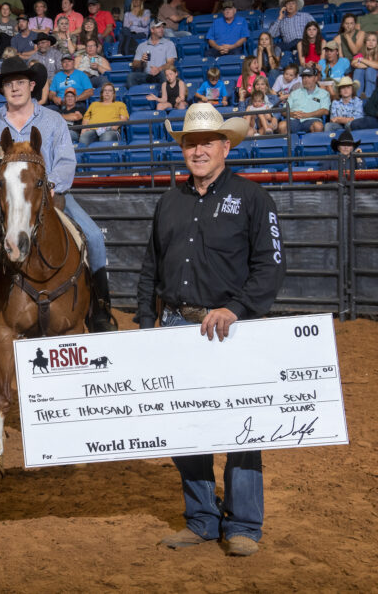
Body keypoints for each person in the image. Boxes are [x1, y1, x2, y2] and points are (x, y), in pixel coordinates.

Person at [138, 102, 285, 558]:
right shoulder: (169, 201)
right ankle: (202, 518)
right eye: (190, 143)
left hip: (232, 330)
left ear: (226, 146)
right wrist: (147, 323)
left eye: (207, 142)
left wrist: (236, 308)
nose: (198, 150)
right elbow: (151, 268)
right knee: (188, 426)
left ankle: (243, 523)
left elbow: (271, 266)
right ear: (182, 149)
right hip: (178, 325)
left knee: (241, 426)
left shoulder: (254, 198)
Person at [0, 56, 118, 339]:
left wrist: (50, 184)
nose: (15, 88)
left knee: (93, 237)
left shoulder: (53, 121)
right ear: (2, 89)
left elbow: (67, 161)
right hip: (2, 200)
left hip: (51, 198)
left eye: (21, 82)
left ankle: (100, 308)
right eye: (9, 84)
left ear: (32, 85)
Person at [278, 66, 329, 134]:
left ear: (316, 78)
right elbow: (284, 111)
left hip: (311, 119)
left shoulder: (323, 93)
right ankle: (286, 145)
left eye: (309, 77)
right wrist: (292, 114)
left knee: (318, 126)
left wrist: (307, 115)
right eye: (304, 77)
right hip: (294, 119)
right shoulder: (294, 93)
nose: (306, 79)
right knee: (282, 125)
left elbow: (325, 111)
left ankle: (314, 145)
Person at [127, 20, 178, 87]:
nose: (162, 29)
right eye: (158, 27)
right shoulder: (142, 46)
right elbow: (134, 64)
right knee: (131, 76)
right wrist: (141, 61)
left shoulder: (169, 44)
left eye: (162, 27)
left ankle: (165, 96)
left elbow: (170, 63)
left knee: (165, 74)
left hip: (161, 73)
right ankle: (134, 96)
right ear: (152, 30)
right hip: (147, 75)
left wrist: (158, 69)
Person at [79, 82, 127, 147]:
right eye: (105, 90)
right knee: (84, 137)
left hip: (110, 130)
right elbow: (86, 118)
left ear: (113, 93)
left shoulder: (120, 104)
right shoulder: (94, 104)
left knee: (106, 137)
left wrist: (115, 126)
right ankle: (84, 157)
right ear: (102, 93)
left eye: (110, 91)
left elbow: (124, 118)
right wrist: (84, 128)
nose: (107, 92)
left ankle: (102, 156)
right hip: (93, 129)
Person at [350, 32, 378, 97]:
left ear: (377, 43)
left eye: (373, 40)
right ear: (365, 42)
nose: (371, 42)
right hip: (364, 80)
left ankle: (369, 97)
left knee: (370, 70)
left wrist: (362, 60)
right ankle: (356, 97)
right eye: (368, 40)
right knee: (358, 71)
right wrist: (372, 65)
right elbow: (354, 63)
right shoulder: (360, 55)